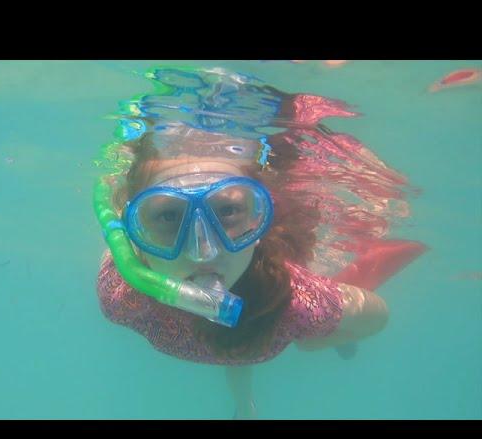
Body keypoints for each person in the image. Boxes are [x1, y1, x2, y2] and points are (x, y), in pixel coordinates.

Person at [94, 70, 425, 419]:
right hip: (251, 340)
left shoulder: (296, 304)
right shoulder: (122, 295)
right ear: (134, 234)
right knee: (236, 335)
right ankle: (244, 405)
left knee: (247, 327)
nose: (202, 250)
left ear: (258, 219)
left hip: (262, 330)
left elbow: (377, 316)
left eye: (228, 211)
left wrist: (318, 338)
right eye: (167, 217)